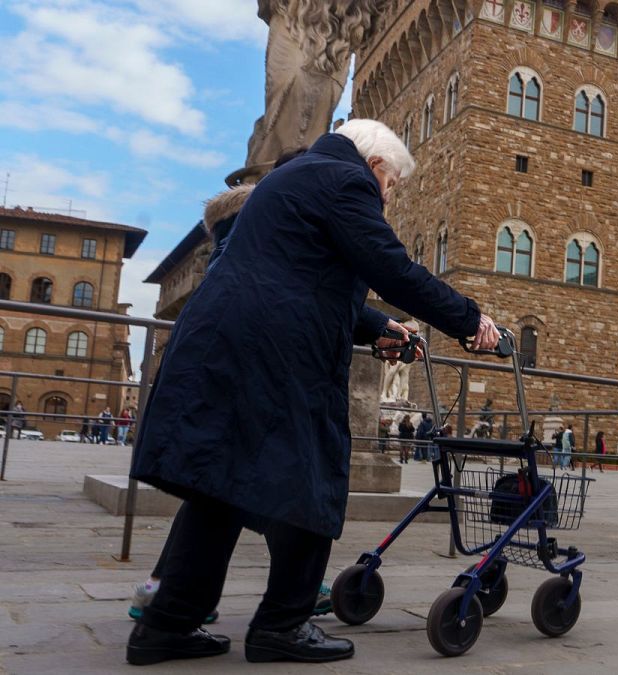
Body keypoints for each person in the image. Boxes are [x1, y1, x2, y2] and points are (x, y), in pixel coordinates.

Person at [125, 120, 501, 666]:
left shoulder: (299, 177)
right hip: (272, 356)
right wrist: (469, 319)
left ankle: (166, 626)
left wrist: (377, 327)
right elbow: (390, 267)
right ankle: (282, 625)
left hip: (227, 346)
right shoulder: (344, 181)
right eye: (391, 185)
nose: (388, 198)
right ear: (376, 166)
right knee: (311, 479)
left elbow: (300, 277)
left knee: (219, 489)